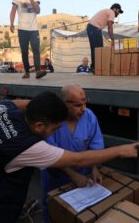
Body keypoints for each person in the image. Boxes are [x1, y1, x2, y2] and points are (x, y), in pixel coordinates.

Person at [0, 91, 139, 223]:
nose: (55, 133)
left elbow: (24, 103)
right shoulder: (26, 146)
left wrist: (54, 104)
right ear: (39, 125)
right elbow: (77, 160)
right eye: (54, 129)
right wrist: (121, 150)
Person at [41, 85, 104, 223]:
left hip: (84, 176)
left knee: (80, 214)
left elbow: (96, 144)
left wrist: (94, 168)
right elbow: (50, 154)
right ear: (64, 104)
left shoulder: (89, 116)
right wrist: (73, 175)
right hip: (56, 178)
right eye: (77, 105)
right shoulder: (52, 120)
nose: (83, 109)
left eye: (85, 103)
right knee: (53, 211)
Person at [10, 0, 47, 79]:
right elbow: (13, 10)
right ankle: (27, 72)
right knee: (24, 51)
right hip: (22, 29)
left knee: (36, 50)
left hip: (34, 29)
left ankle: (38, 71)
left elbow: (38, 11)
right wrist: (12, 22)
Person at [87, 4, 123, 71]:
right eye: (118, 11)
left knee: (97, 49)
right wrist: (113, 40)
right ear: (115, 9)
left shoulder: (107, 11)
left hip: (92, 27)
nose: (118, 14)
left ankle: (95, 67)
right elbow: (110, 27)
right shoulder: (111, 12)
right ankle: (96, 67)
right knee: (98, 49)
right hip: (94, 28)